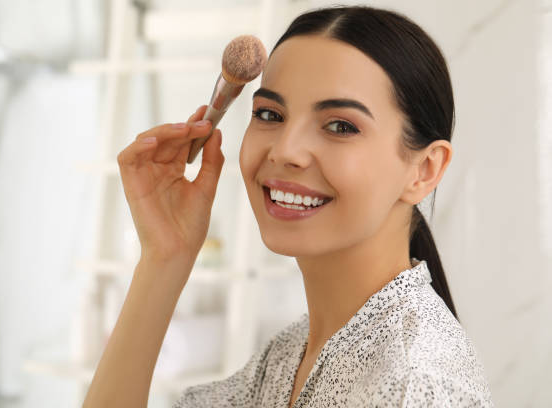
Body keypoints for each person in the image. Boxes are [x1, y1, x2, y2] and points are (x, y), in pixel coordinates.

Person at [82, 5, 494, 408]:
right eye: (270, 114)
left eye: (340, 126)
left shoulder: (417, 384)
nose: (285, 151)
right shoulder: (288, 356)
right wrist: (164, 257)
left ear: (424, 170)